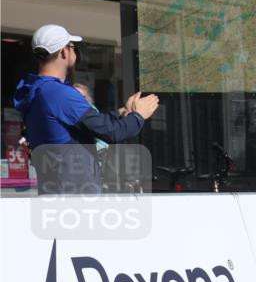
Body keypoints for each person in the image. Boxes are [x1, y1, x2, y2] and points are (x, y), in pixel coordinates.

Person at [13, 24, 158, 194]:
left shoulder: (38, 91)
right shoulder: (58, 94)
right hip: (75, 198)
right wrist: (139, 115)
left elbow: (86, 125)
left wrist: (121, 113)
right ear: (64, 52)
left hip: (57, 194)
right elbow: (111, 132)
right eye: (73, 48)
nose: (75, 53)